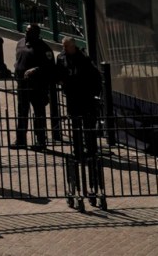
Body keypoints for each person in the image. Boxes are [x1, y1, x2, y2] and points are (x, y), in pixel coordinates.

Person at [59, 36, 104, 201]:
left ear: (73, 46)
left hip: (85, 97)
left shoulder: (83, 58)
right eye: (63, 46)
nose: (65, 49)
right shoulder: (61, 58)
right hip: (72, 98)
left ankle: (91, 149)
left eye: (67, 46)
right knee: (75, 124)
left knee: (88, 125)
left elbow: (96, 77)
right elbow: (60, 73)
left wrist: (94, 95)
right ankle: (77, 150)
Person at [12, 22, 57, 148]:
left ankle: (41, 140)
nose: (27, 33)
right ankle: (21, 140)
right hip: (22, 84)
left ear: (36, 34)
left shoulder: (44, 48)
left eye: (30, 32)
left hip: (37, 86)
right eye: (26, 31)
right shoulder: (20, 43)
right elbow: (18, 59)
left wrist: (35, 70)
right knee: (22, 112)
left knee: (39, 113)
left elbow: (49, 67)